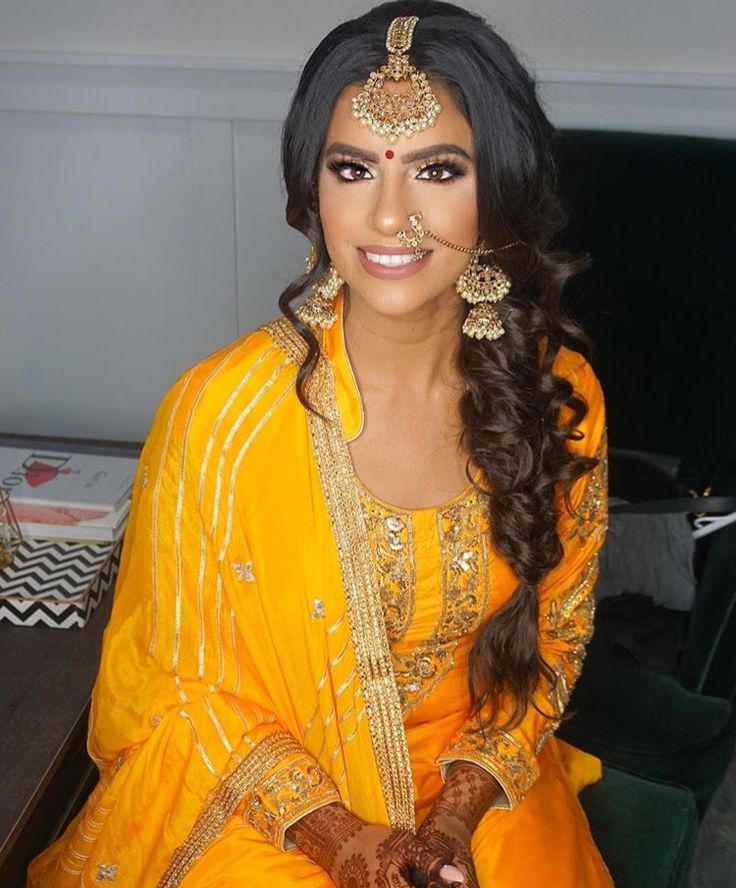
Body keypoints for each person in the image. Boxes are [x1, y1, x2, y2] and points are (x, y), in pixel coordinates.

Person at [28, 2, 613, 886]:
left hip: (478, 781)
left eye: (438, 170)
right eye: (352, 169)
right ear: (314, 187)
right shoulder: (223, 414)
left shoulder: (556, 393)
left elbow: (559, 630)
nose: (388, 216)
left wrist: (456, 812)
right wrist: (344, 840)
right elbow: (178, 689)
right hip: (266, 800)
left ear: (499, 190)